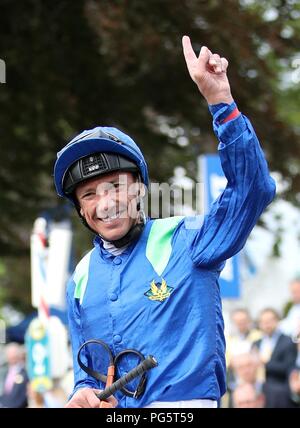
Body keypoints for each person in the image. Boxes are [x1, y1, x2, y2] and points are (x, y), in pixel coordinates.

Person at [53, 35, 276, 408]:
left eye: (114, 187)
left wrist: (222, 105)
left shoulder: (187, 239)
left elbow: (251, 190)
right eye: (88, 195)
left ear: (139, 189)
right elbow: (86, 374)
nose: (104, 203)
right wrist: (82, 392)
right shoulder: (80, 277)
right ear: (80, 210)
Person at [253, 308, 297, 408]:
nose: (266, 324)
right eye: (263, 322)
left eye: (270, 320)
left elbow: (288, 368)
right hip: (257, 393)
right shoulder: (256, 343)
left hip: (280, 394)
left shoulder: (288, 342)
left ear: (277, 321)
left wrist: (265, 362)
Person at [0, 343, 29, 408]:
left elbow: (22, 396)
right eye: (9, 354)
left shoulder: (24, 373)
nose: (12, 356)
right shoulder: (5, 372)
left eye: (14, 354)